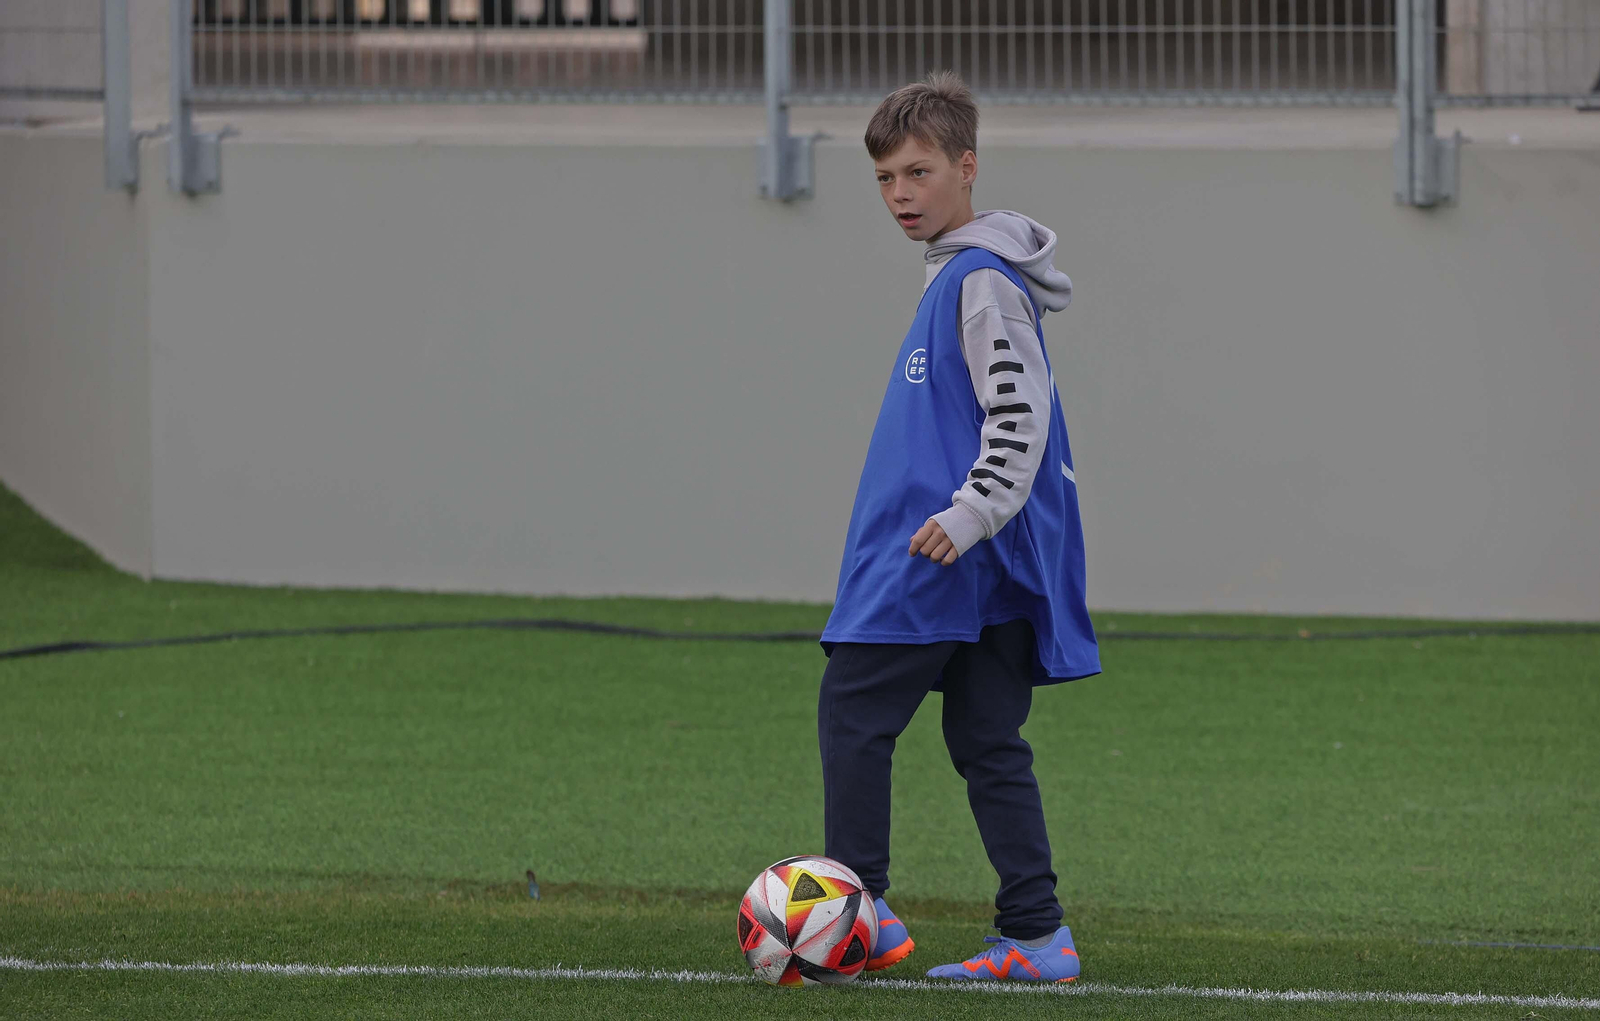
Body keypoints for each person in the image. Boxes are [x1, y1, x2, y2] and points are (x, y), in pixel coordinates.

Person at [817, 69, 1101, 983]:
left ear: (966, 168)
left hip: (954, 550)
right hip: (990, 558)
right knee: (986, 737)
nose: (901, 195)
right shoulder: (964, 274)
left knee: (854, 708)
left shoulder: (981, 283)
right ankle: (1038, 934)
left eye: (918, 173)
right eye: (886, 180)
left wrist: (970, 511)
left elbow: (1021, 419)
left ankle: (858, 907)